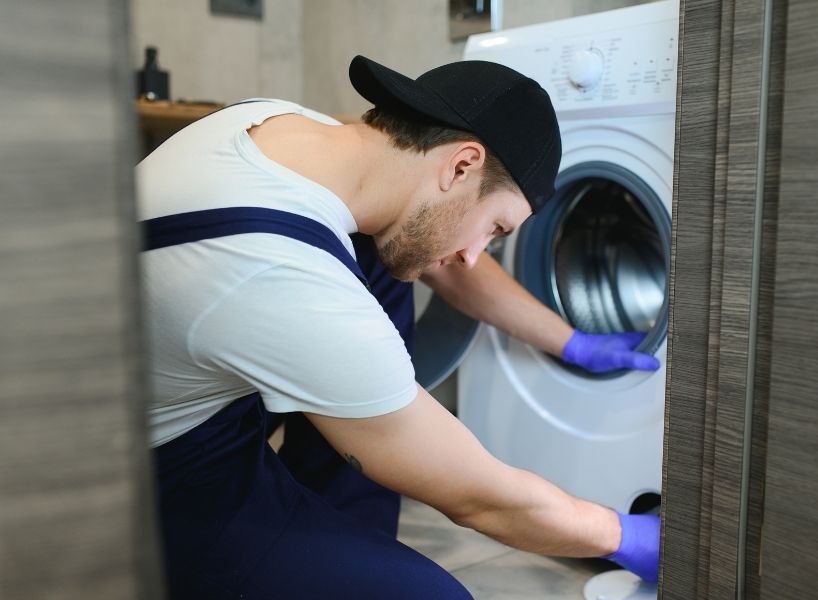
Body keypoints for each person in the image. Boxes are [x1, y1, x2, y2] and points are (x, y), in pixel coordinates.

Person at [138, 55, 661, 599]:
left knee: (385, 260)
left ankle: (338, 526)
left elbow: (439, 254)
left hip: (155, 380)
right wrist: (619, 533)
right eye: (494, 228)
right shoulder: (279, 269)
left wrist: (570, 341)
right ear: (461, 165)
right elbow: (478, 498)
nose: (472, 255)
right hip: (144, 481)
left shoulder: (276, 126)